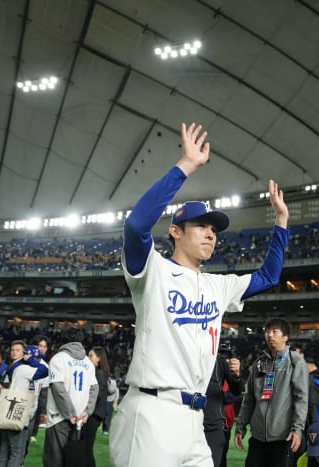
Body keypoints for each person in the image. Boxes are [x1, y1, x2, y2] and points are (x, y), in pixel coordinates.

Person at [109, 122, 290, 467]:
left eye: (214, 229)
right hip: (151, 414)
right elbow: (135, 226)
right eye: (201, 226)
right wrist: (186, 166)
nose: (211, 234)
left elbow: (269, 276)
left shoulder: (217, 286)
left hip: (196, 422)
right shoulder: (153, 270)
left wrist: (280, 223)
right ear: (175, 231)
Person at [234, 318, 309, 467]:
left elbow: (301, 399)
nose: (270, 335)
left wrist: (297, 429)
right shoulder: (259, 363)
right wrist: (240, 427)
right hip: (257, 438)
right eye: (267, 332)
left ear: (285, 337)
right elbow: (249, 399)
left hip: (282, 438)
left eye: (275, 332)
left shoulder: (296, 362)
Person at [43, 341, 98, 467]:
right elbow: (95, 388)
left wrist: (70, 413)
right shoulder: (88, 362)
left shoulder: (58, 358)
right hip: (80, 417)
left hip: (59, 417)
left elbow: (58, 387)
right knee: (73, 459)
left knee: (54, 459)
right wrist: (87, 412)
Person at [0, 341, 49, 467]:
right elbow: (45, 370)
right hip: (19, 414)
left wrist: (28, 359)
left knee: (4, 451)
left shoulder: (16, 367)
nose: (39, 361)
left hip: (9, 413)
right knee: (17, 452)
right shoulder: (25, 369)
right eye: (37, 358)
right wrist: (31, 360)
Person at [203, 344, 242, 467]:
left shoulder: (220, 362)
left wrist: (237, 375)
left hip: (213, 426)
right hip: (187, 423)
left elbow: (237, 390)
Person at [81, 347, 110, 467]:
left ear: (99, 358)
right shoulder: (97, 372)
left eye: (91, 355)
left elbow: (97, 394)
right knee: (85, 447)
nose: (88, 358)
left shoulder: (99, 373)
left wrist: (87, 411)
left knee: (86, 447)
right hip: (94, 414)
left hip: (94, 415)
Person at [28, 335, 52, 445]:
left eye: (44, 346)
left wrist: (43, 411)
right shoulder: (22, 361)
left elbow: (44, 392)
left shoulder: (46, 367)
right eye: (39, 345)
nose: (42, 348)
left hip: (32, 407)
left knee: (26, 438)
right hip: (17, 401)